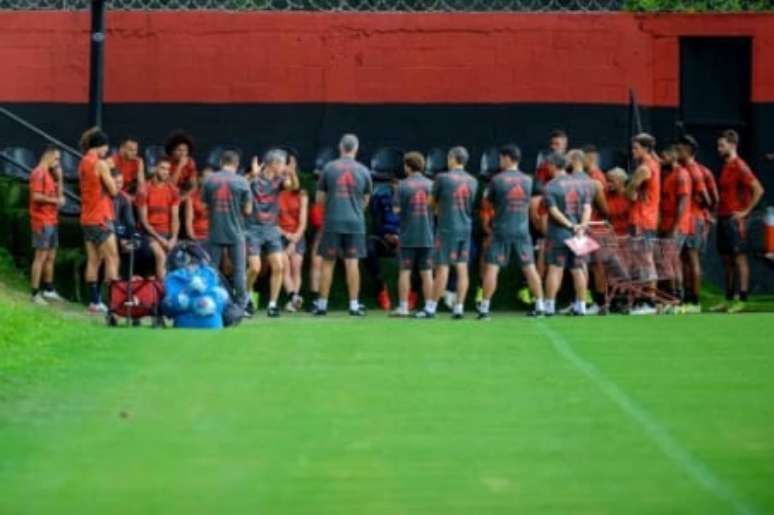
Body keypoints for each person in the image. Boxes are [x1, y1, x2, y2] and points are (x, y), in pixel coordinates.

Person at [478, 144, 544, 320]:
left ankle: (484, 309)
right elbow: (536, 202)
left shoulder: (496, 180)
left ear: (507, 158)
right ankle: (540, 306)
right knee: (530, 268)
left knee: (492, 268)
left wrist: (499, 207)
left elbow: (486, 204)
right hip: (522, 230)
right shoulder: (529, 180)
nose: (499, 161)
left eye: (500, 158)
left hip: (501, 230)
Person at [313, 134, 373, 317]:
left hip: (332, 221)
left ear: (340, 147)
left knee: (328, 263)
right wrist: (354, 208)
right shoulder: (363, 171)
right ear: (355, 148)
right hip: (355, 223)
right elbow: (366, 200)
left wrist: (335, 205)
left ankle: (322, 305)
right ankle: (354, 305)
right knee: (352, 263)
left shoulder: (329, 168)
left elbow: (320, 200)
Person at [416, 146, 478, 320]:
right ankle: (459, 308)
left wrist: (438, 209)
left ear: (452, 158)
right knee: (462, 268)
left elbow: (430, 203)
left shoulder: (442, 178)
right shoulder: (473, 181)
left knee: (442, 268)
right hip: (465, 228)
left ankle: (431, 308)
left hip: (447, 228)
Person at [711, 129, 765, 313]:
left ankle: (742, 299)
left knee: (739, 259)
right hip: (723, 218)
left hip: (736, 221)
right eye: (718, 145)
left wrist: (745, 212)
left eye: (722, 145)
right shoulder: (726, 166)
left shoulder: (740, 166)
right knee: (727, 260)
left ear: (732, 145)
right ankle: (728, 298)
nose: (718, 149)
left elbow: (758, 189)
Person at [201, 150, 252, 309]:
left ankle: (210, 302)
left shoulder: (210, 180)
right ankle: (241, 306)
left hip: (215, 231)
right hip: (236, 232)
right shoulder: (243, 182)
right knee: (239, 271)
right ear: (236, 164)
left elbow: (204, 207)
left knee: (211, 269)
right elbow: (248, 210)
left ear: (221, 162)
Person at [543, 152, 592, 316]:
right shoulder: (581, 184)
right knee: (578, 269)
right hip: (579, 233)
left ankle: (549, 307)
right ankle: (582, 306)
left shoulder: (550, 186)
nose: (547, 168)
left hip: (559, 233)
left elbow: (554, 211)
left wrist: (570, 225)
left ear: (553, 165)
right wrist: (581, 227)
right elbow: (587, 208)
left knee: (556, 269)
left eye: (548, 165)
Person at [78, 127, 119, 314]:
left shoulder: (82, 162)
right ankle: (115, 303)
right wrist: (110, 171)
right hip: (101, 217)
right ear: (100, 146)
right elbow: (114, 190)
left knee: (93, 259)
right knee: (112, 258)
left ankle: (94, 302)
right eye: (106, 147)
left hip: (87, 217)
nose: (107, 151)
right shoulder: (100, 164)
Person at [245, 150, 288, 318]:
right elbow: (239, 184)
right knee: (255, 268)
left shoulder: (279, 180)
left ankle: (272, 305)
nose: (283, 168)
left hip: (271, 229)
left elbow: (292, 185)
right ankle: (245, 299)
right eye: (282, 164)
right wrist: (252, 176)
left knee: (279, 266)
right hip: (252, 229)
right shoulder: (254, 178)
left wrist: (290, 172)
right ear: (273, 164)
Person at [393, 151, 434, 317]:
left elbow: (396, 210)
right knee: (427, 273)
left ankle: (403, 307)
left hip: (408, 236)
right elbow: (437, 209)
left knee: (405, 272)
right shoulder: (432, 185)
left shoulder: (401, 185)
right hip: (427, 236)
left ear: (408, 166)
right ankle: (430, 307)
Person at [626, 133, 661, 314]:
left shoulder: (644, 168)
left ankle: (650, 303)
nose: (633, 151)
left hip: (642, 220)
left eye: (636, 148)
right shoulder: (652, 164)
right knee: (642, 261)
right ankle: (643, 301)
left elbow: (629, 193)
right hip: (644, 219)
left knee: (646, 261)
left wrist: (629, 187)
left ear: (646, 149)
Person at [676, 135, 711, 312]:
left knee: (692, 258)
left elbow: (707, 198)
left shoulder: (694, 170)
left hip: (694, 220)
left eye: (680, 149)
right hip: (688, 220)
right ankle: (689, 298)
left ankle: (695, 301)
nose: (677, 152)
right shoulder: (684, 168)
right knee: (685, 259)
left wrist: (701, 210)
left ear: (688, 150)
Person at [29, 146, 65, 305]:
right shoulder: (39, 173)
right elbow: (36, 196)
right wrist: (55, 201)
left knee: (51, 256)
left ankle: (49, 289)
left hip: (52, 219)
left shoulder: (51, 175)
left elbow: (60, 197)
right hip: (41, 221)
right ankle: (35, 293)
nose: (58, 163)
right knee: (40, 257)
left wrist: (61, 178)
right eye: (56, 159)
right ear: (48, 156)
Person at [135, 158, 180, 280]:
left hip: (166, 233)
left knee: (178, 257)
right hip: (148, 233)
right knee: (161, 256)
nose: (166, 172)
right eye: (162, 168)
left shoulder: (173, 190)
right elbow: (144, 222)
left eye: (168, 169)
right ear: (155, 169)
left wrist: (174, 238)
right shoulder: (144, 190)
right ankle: (165, 292)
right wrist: (160, 239)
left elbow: (175, 218)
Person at [658, 146, 692, 303]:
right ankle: (674, 295)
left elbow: (682, 203)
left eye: (664, 156)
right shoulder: (668, 174)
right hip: (666, 224)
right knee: (670, 260)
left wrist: (675, 227)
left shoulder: (682, 175)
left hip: (676, 226)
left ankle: (678, 295)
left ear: (673, 156)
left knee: (672, 259)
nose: (661, 159)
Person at [278, 153, 308, 312]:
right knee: (284, 266)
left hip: (298, 236)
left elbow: (303, 222)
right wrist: (287, 236)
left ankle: (293, 302)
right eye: (284, 175)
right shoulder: (277, 195)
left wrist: (294, 240)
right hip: (281, 236)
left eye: (288, 175)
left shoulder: (302, 194)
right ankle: (293, 297)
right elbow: (273, 223)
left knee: (296, 266)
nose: (286, 178)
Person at [366, 175, 401, 311]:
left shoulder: (414, 197)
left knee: (421, 251)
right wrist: (386, 235)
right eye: (396, 183)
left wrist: (401, 236)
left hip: (406, 239)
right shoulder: (380, 197)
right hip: (384, 238)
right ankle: (381, 287)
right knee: (369, 247)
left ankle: (412, 291)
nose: (399, 186)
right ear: (392, 183)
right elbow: (377, 222)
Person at [112, 172, 137, 277]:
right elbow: (109, 220)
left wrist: (127, 237)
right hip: (106, 231)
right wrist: (120, 237)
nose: (119, 185)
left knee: (132, 245)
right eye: (116, 182)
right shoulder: (104, 196)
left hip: (119, 231)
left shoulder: (124, 198)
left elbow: (130, 222)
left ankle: (127, 281)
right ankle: (114, 283)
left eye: (121, 183)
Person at [185, 167, 212, 243]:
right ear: (200, 179)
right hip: (197, 237)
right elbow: (188, 223)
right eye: (206, 177)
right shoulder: (191, 198)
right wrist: (193, 238)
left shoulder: (216, 198)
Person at [605, 167, 631, 236]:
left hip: (627, 235)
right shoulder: (607, 194)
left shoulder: (629, 196)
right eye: (608, 181)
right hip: (612, 234)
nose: (609, 184)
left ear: (621, 181)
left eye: (611, 181)